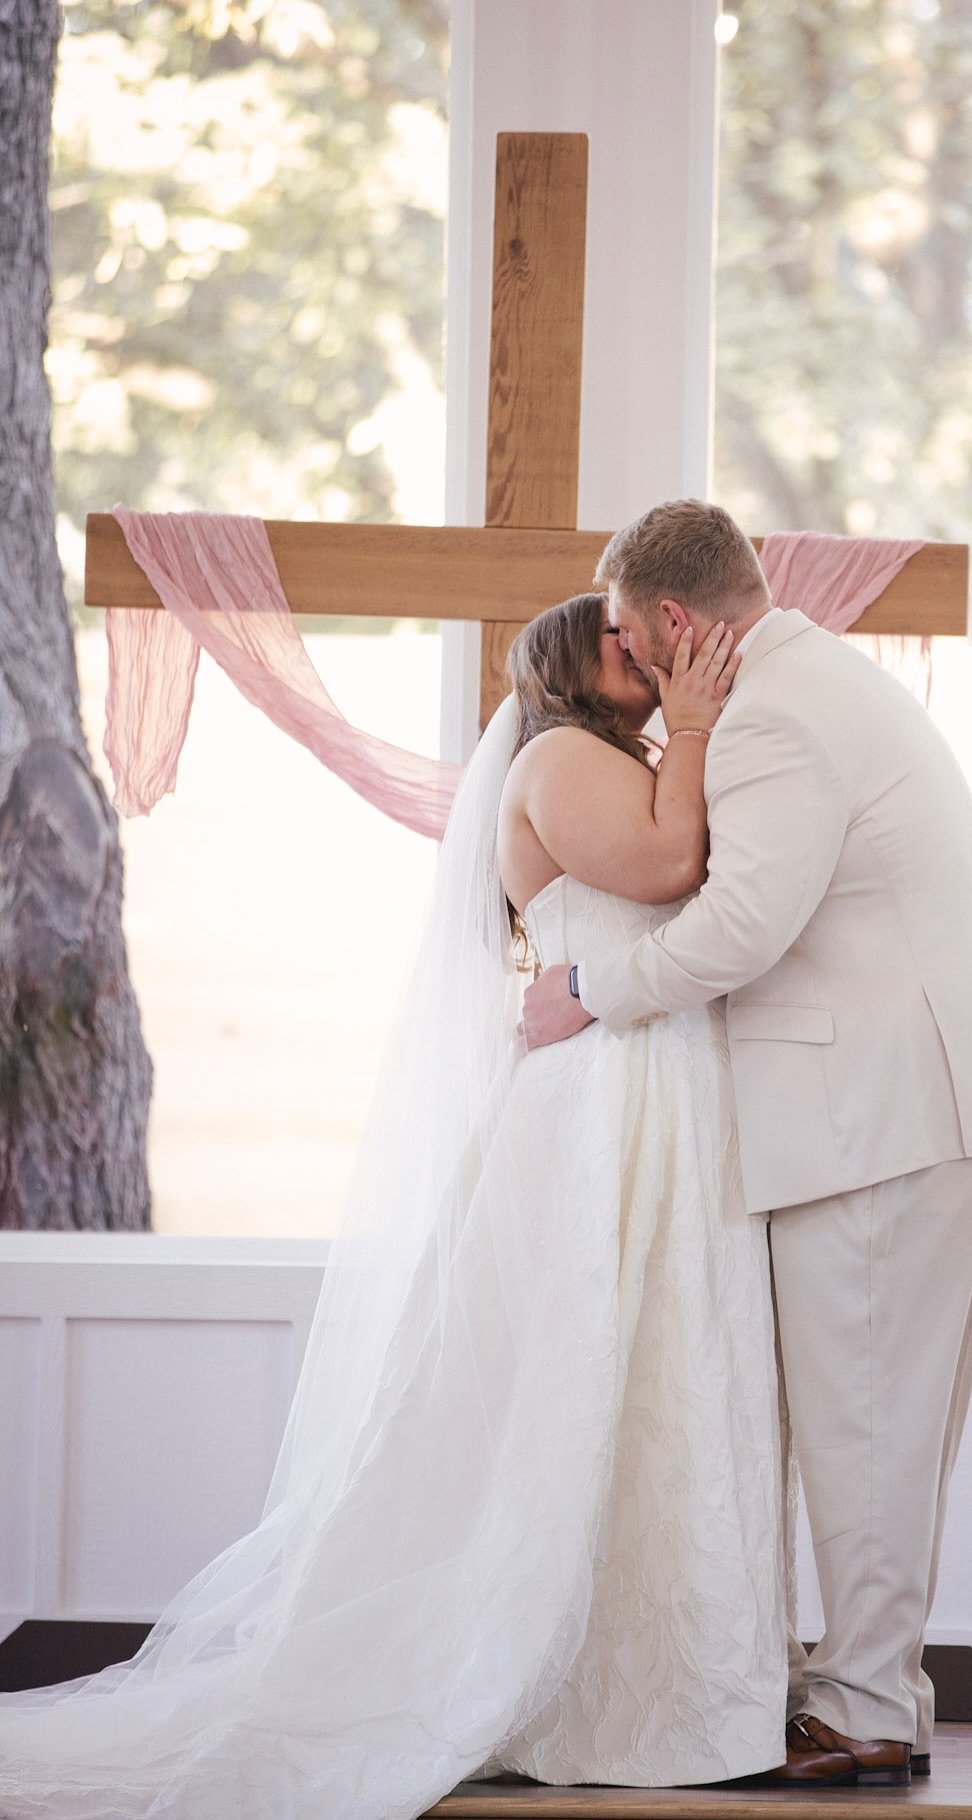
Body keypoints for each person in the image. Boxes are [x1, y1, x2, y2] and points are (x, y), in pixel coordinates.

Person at [0, 592, 790, 1816]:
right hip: (602, 1103)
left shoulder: (615, 754)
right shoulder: (560, 758)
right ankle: (557, 1679)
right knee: (576, 1375)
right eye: (619, 644)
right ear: (573, 673)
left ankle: (662, 1676)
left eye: (648, 639)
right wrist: (689, 725)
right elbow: (668, 865)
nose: (644, 654)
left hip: (654, 1092)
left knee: (662, 1378)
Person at [523, 498, 972, 1789]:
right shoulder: (820, 676)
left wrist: (588, 991)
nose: (628, 663)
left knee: (866, 1423)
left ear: (670, 620)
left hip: (879, 1112)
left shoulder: (768, 714)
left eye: (624, 631)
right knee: (888, 1421)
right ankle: (870, 1683)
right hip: (931, 1097)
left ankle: (870, 1705)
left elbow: (743, 927)